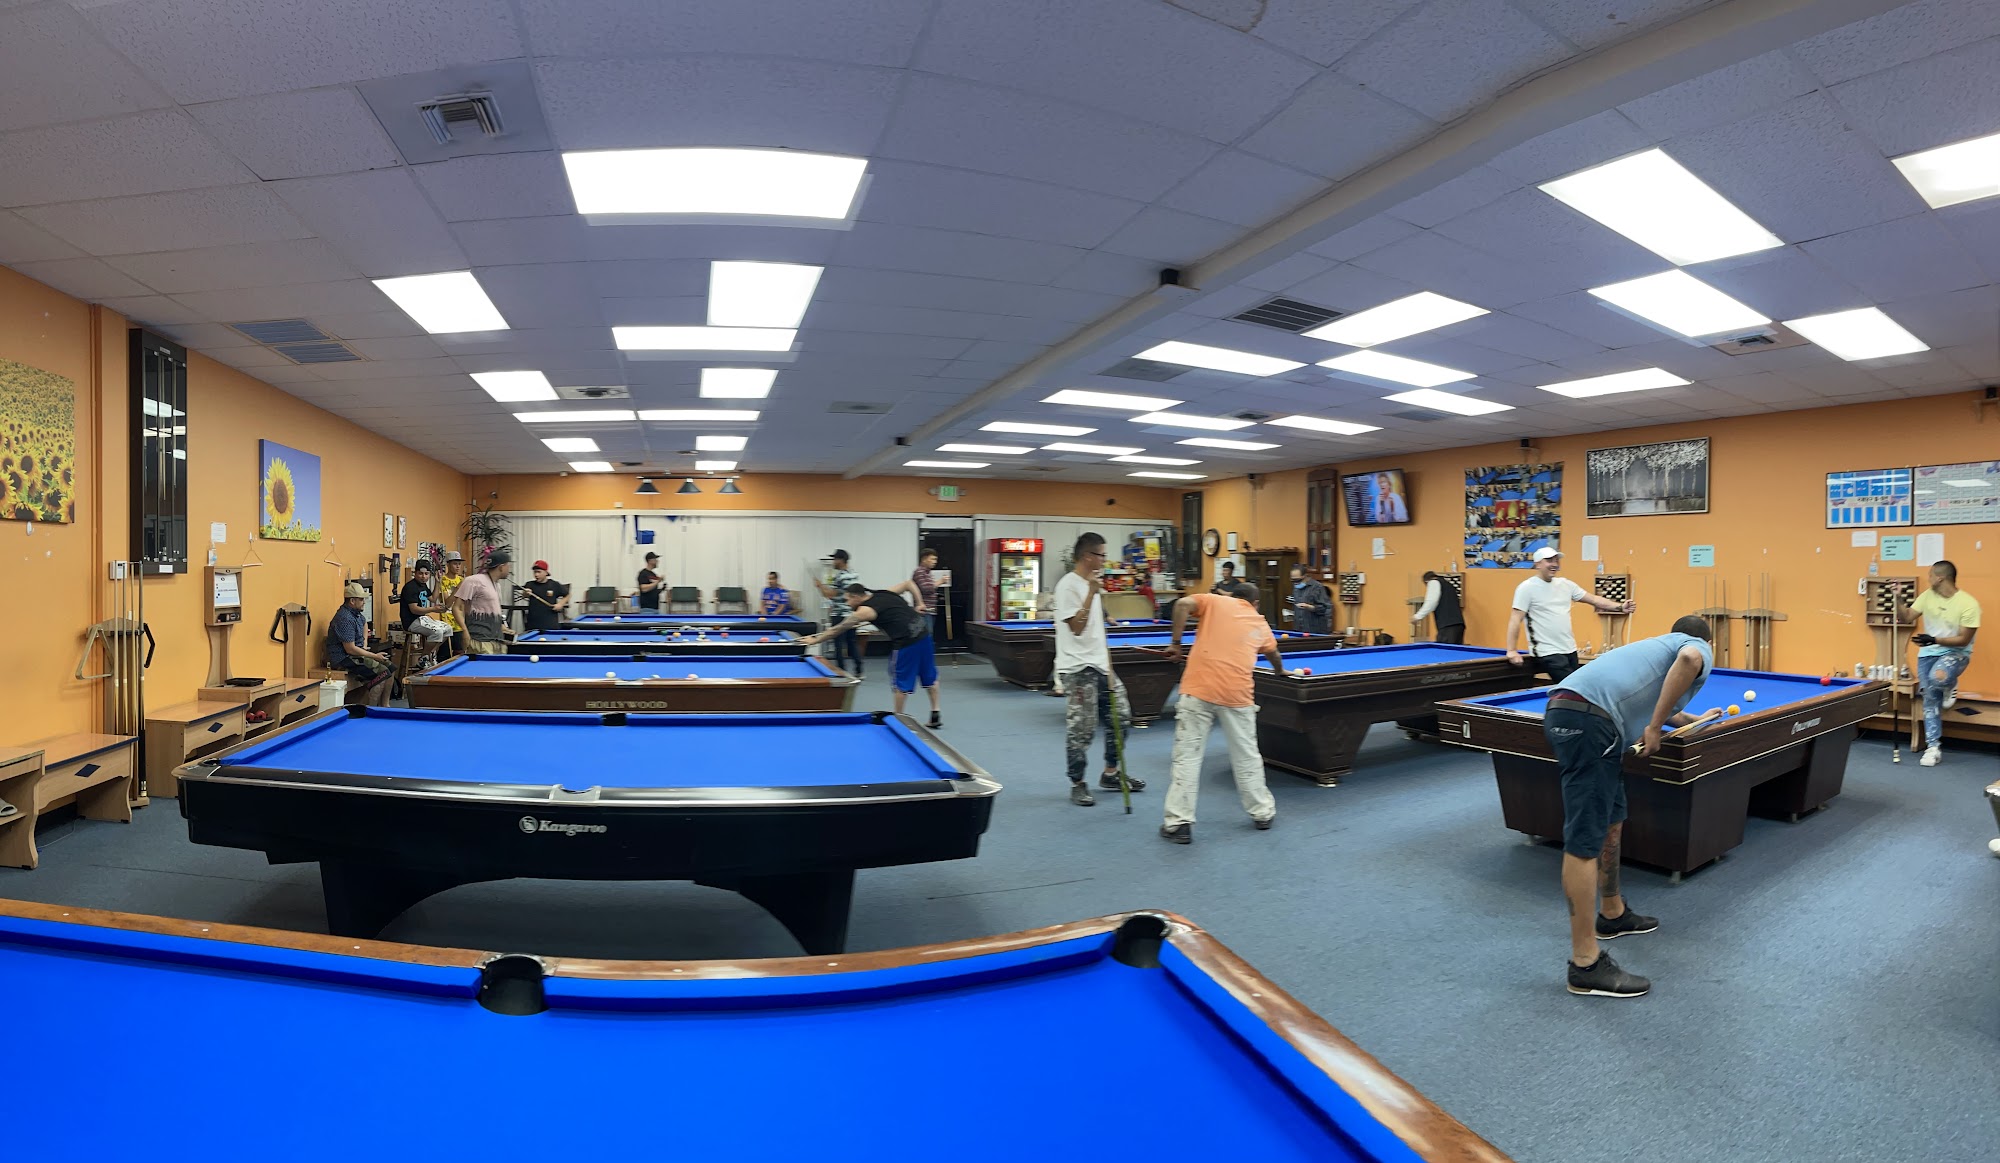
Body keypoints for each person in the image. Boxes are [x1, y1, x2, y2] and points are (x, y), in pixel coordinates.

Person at [1543, 616, 1716, 998]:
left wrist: (1689, 719)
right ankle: (1585, 965)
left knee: (1612, 817)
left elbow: (1656, 699)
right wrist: (1654, 728)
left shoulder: (1656, 646)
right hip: (1589, 722)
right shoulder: (1696, 646)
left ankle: (1612, 913)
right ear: (1709, 641)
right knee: (1584, 838)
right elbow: (1690, 660)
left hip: (1576, 713)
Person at [1158, 582, 1292, 843]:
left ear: (1233, 595)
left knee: (1187, 757)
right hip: (1237, 695)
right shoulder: (1259, 621)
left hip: (1198, 690)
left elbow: (1182, 604)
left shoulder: (1214, 601)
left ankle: (1179, 823)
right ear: (1255, 603)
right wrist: (1279, 671)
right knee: (1247, 755)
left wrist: (1176, 644)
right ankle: (1262, 813)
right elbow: (1274, 654)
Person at [1054, 532, 1145, 806]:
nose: (1105, 560)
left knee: (1122, 718)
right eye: (1102, 555)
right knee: (1082, 729)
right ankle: (1077, 783)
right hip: (1077, 667)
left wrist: (1107, 664)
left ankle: (1111, 773)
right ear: (1087, 556)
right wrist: (1092, 594)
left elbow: (1096, 626)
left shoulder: (1092, 584)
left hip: (1101, 665)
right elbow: (1077, 628)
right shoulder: (1068, 586)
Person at [803, 583, 941, 727]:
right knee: (930, 676)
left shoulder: (864, 611)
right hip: (923, 633)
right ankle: (935, 713)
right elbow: (908, 584)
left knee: (900, 684)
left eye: (848, 600)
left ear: (856, 597)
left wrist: (814, 640)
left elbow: (837, 630)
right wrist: (919, 603)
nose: (847, 604)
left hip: (906, 643)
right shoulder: (883, 592)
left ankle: (898, 721)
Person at [1892, 560, 1979, 767]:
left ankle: (1950, 684)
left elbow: (1964, 640)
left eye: (1931, 574)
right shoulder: (1927, 596)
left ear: (1940, 578)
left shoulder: (1969, 604)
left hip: (1956, 653)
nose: (1928, 578)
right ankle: (1933, 748)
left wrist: (1934, 639)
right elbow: (1906, 617)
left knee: (1938, 677)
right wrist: (1898, 596)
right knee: (1930, 700)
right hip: (1927, 654)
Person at [1506, 548, 1633, 681]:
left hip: (1569, 649)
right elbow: (1515, 619)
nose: (1554, 564)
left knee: (1577, 685)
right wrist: (1512, 650)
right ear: (1537, 564)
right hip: (1547, 651)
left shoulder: (1565, 584)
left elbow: (1594, 600)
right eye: (1549, 560)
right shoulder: (1526, 588)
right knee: (1572, 686)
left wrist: (1620, 607)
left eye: (1556, 560)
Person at [327, 582, 392, 706]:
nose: (364, 602)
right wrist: (374, 656)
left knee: (391, 668)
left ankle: (385, 705)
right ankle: (371, 710)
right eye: (361, 599)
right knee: (383, 673)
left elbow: (364, 622)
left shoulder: (355, 614)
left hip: (355, 654)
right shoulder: (344, 618)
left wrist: (364, 643)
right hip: (343, 658)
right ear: (352, 601)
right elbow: (350, 649)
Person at [813, 550, 865, 677]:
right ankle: (859, 670)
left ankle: (841, 672)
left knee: (838, 644)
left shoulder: (840, 576)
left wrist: (820, 586)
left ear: (841, 560)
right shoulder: (854, 574)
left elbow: (830, 595)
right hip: (852, 614)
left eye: (835, 559)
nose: (833, 562)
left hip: (839, 614)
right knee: (851, 643)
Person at [453, 552, 513, 655]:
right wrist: (465, 631)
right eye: (508, 565)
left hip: (497, 640)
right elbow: (456, 608)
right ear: (501, 567)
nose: (509, 569)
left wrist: (502, 626)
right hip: (479, 641)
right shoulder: (472, 581)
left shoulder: (497, 585)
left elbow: (491, 609)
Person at [396, 561, 451, 670]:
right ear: (415, 573)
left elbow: (433, 599)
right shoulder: (410, 587)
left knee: (448, 629)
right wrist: (433, 609)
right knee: (437, 632)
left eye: (426, 574)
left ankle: (431, 653)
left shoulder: (423, 585)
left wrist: (437, 582)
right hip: (411, 621)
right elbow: (414, 609)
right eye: (420, 573)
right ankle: (423, 658)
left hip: (422, 619)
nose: (423, 576)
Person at [1413, 571, 1467, 644]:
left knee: (1444, 650)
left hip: (1447, 625)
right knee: (1455, 650)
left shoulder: (1433, 582)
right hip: (1458, 625)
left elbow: (1431, 602)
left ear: (1426, 581)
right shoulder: (1448, 584)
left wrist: (1417, 616)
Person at [520, 560, 570, 633]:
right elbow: (524, 595)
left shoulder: (554, 585)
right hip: (533, 624)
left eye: (539, 572)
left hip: (550, 624)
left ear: (546, 572)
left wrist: (560, 604)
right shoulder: (530, 584)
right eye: (535, 572)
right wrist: (525, 593)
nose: (536, 575)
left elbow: (567, 595)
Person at [436, 551, 467, 659]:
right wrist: (458, 587)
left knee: (460, 655)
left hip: (460, 623)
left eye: (459, 564)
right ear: (448, 565)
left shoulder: (462, 580)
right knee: (444, 656)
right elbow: (447, 604)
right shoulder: (442, 580)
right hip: (447, 623)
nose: (458, 566)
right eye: (455, 563)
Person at [1289, 566, 1332, 635]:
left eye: (1298, 580)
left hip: (1315, 630)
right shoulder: (1296, 588)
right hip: (1299, 629)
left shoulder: (1317, 587)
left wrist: (1310, 607)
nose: (1295, 583)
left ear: (1305, 576)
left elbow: (1325, 608)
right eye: (1293, 580)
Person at [909, 548, 939, 633]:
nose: (935, 562)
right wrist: (940, 582)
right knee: (926, 635)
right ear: (924, 559)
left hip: (930, 611)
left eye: (936, 559)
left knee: (929, 634)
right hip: (924, 612)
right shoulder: (919, 572)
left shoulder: (927, 573)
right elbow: (927, 588)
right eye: (932, 559)